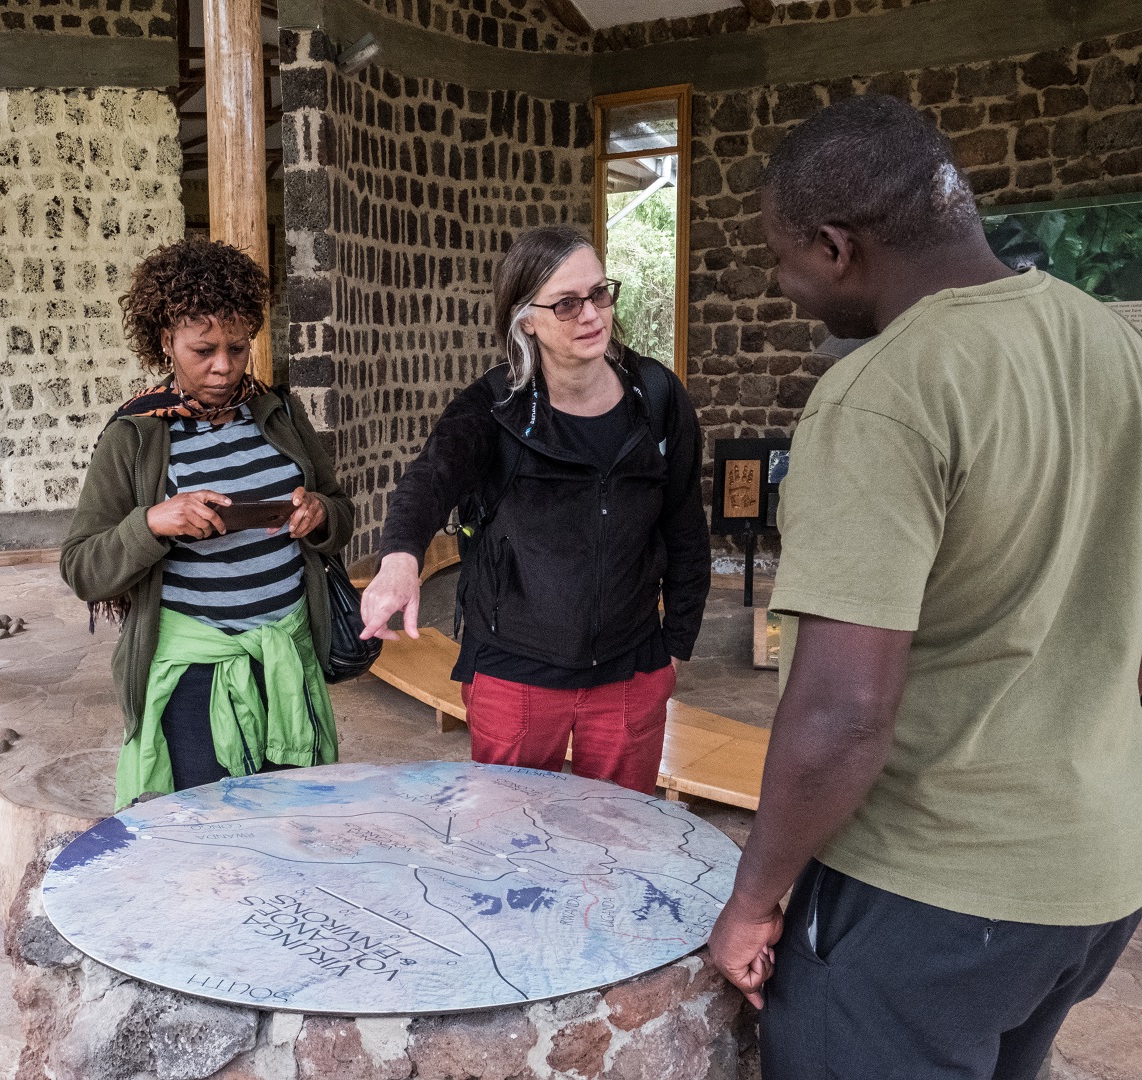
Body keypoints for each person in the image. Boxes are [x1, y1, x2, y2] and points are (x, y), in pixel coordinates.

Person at [706, 95, 1142, 1079]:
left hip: (931, 894)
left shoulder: (884, 392)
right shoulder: (1114, 343)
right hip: (1094, 876)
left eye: (782, 259)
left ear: (834, 247)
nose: (783, 286)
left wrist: (757, 895)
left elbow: (845, 712)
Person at [358, 225, 710, 793]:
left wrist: (675, 650)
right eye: (567, 304)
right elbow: (430, 479)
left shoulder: (657, 398)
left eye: (599, 293)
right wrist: (400, 560)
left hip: (631, 668)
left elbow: (685, 526)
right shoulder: (493, 409)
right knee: (512, 849)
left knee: (618, 843)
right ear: (526, 319)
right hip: (514, 673)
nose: (592, 315)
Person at [60, 239, 355, 809]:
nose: (224, 366)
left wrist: (319, 515)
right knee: (208, 832)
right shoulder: (136, 436)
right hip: (195, 680)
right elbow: (82, 568)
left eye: (238, 348)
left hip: (286, 662)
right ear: (166, 341)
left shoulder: (281, 416)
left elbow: (340, 512)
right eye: (204, 350)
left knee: (293, 818)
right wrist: (152, 523)